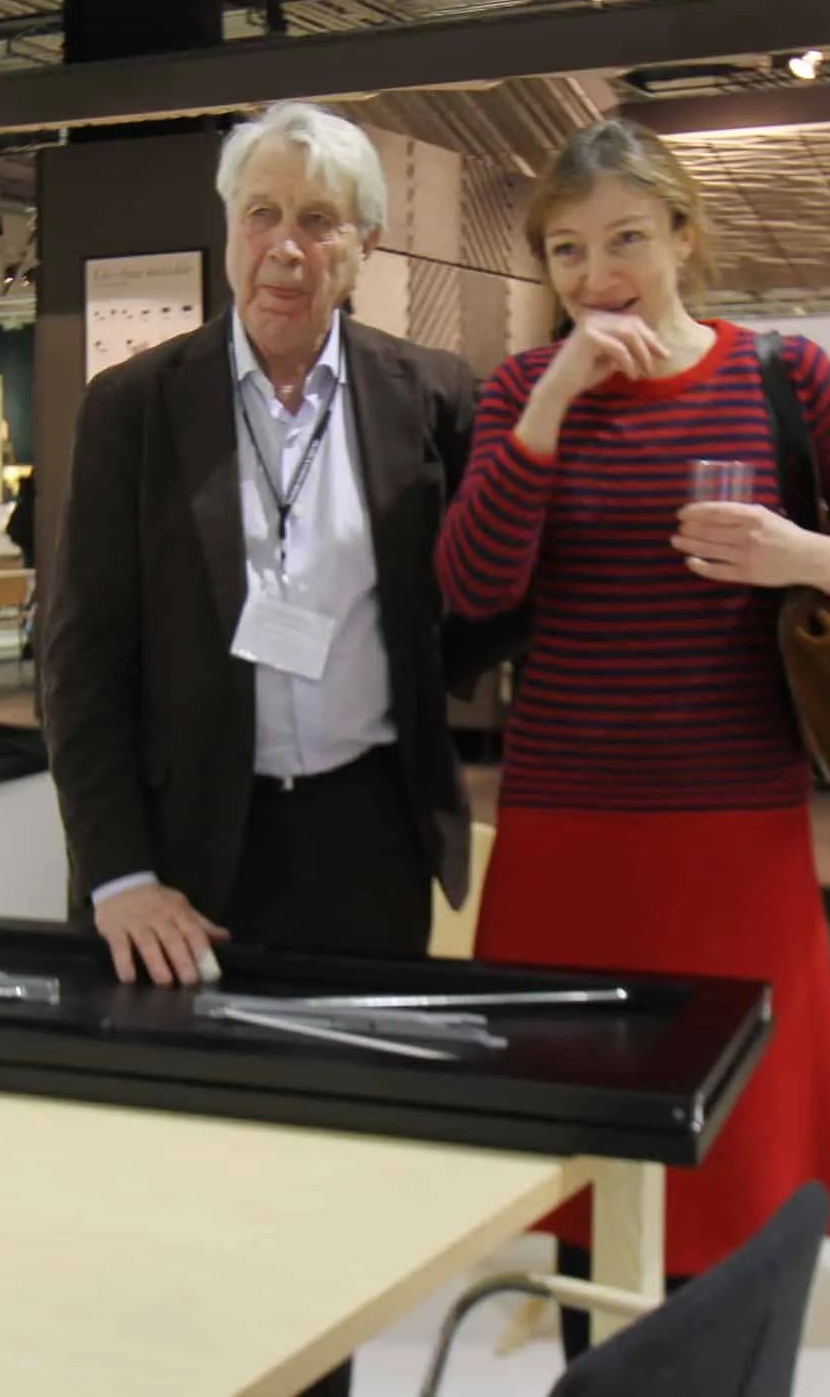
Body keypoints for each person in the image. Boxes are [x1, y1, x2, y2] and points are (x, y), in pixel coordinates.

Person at [434, 118, 830, 1362]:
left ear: (680, 235)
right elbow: (472, 584)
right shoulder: (520, 391)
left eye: (623, 239)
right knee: (578, 1168)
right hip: (565, 835)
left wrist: (808, 555)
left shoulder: (783, 375)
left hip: (735, 836)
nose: (597, 274)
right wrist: (551, 402)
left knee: (733, 1166)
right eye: (567, 251)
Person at [41, 101, 506, 1396]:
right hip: (185, 860)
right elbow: (83, 660)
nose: (285, 248)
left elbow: (475, 616)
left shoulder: (433, 398)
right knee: (179, 1180)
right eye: (262, 216)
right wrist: (118, 873)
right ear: (229, 233)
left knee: (333, 1183)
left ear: (365, 246)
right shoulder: (139, 407)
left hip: (364, 846)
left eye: (317, 221)